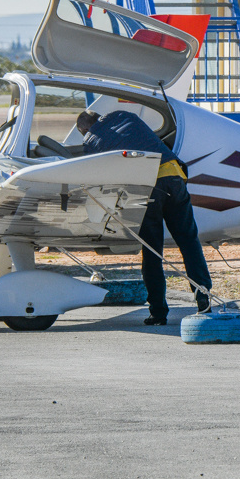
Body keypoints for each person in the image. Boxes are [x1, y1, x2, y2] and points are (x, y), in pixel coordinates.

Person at [76, 109, 212, 326]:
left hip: (148, 189)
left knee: (152, 252)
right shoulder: (124, 115)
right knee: (188, 242)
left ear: (84, 130)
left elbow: (98, 180)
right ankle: (204, 300)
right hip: (175, 176)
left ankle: (158, 313)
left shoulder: (91, 141)